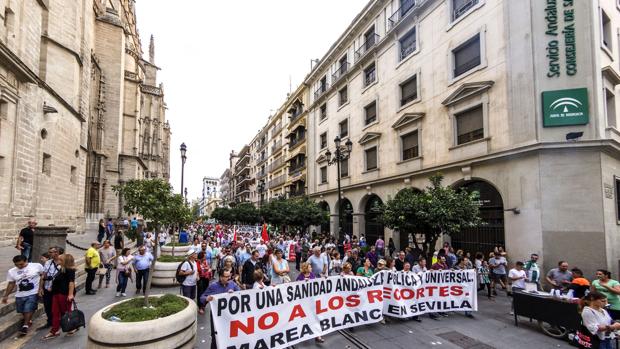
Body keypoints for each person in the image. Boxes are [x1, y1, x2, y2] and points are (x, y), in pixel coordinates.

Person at [2, 255, 44, 335]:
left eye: (21, 264)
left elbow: (43, 276)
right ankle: (28, 320)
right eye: (17, 265)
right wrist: (6, 295)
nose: (19, 266)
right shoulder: (12, 271)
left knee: (28, 308)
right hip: (20, 294)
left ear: (26, 261)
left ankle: (25, 326)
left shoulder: (37, 266)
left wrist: (41, 288)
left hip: (33, 292)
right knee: (22, 310)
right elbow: (11, 283)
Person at [200, 269, 240, 349]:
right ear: (221, 277)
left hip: (229, 317)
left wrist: (234, 293)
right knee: (216, 337)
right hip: (216, 318)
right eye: (226, 277)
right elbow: (202, 297)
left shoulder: (233, 284)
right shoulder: (213, 286)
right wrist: (207, 298)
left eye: (229, 276)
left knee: (229, 336)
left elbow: (241, 294)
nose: (228, 278)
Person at [43, 253, 77, 339]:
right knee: (55, 312)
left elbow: (71, 282)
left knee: (66, 312)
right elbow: (58, 280)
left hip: (64, 294)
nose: (58, 261)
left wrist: (70, 294)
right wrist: (51, 287)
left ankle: (71, 328)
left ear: (65, 261)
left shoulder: (70, 270)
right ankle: (55, 330)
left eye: (60, 260)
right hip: (56, 293)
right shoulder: (61, 268)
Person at [41, 247, 60, 330]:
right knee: (47, 306)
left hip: (58, 289)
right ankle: (50, 321)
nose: (51, 253)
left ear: (58, 252)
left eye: (52, 252)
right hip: (47, 287)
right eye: (50, 252)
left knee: (58, 306)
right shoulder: (48, 262)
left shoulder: (63, 262)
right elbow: (43, 275)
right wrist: (40, 288)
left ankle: (59, 322)